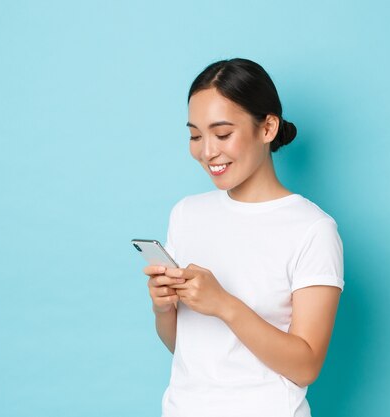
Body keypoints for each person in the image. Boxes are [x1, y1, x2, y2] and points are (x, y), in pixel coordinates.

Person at [143, 58, 344, 417]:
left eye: (222, 134)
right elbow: (187, 348)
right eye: (195, 135)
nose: (207, 151)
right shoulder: (187, 214)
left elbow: (306, 365)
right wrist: (163, 308)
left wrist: (224, 304)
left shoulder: (313, 229)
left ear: (267, 128)